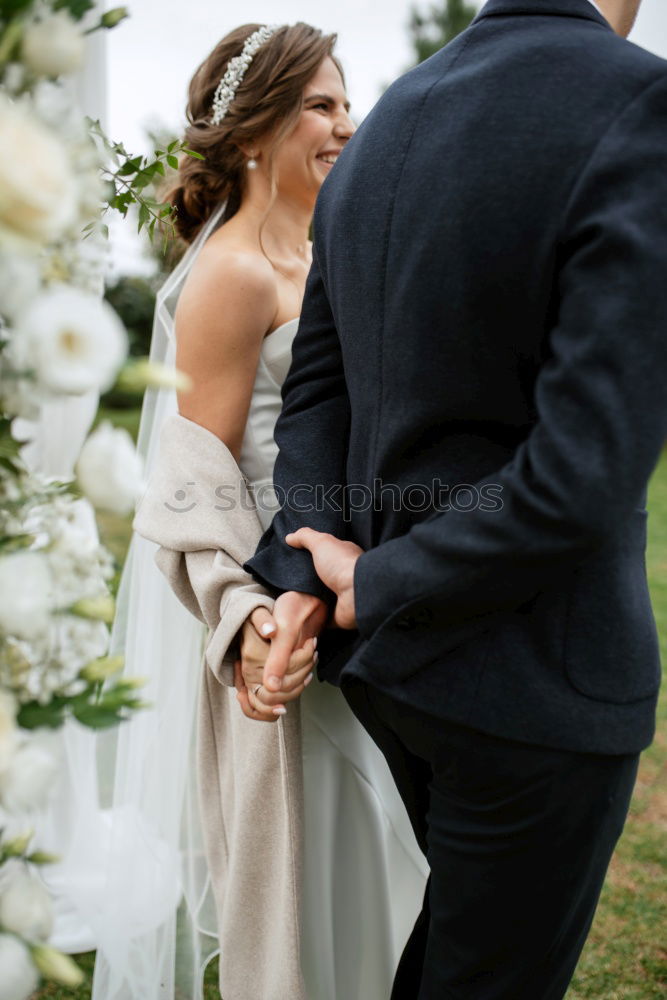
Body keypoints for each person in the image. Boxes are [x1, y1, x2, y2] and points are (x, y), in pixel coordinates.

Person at [243, 1, 667, 997]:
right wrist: (372, 578)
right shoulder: (641, 103)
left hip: (394, 681)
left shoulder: (392, 115)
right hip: (534, 678)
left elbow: (314, 392)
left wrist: (313, 560)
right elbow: (582, 472)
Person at [100, 22, 426, 1000]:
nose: (345, 124)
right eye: (319, 105)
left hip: (361, 605)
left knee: (386, 869)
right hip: (275, 626)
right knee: (316, 884)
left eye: (345, 101)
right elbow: (192, 480)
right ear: (255, 130)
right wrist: (251, 621)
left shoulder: (333, 250)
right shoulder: (232, 274)